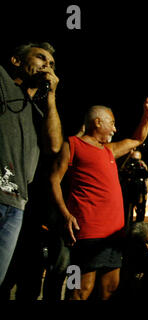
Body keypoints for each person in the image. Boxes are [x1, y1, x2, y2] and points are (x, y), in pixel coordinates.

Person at [49, 98, 148, 300]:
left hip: (114, 235)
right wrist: (65, 215)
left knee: (111, 289)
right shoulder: (72, 144)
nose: (115, 129)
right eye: (112, 123)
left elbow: (137, 140)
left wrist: (147, 115)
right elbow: (54, 179)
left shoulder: (109, 150)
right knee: (80, 290)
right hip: (87, 233)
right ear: (98, 122)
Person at [0, 42, 63, 285]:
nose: (48, 65)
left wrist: (51, 96)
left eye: (52, 64)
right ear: (16, 61)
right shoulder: (3, 82)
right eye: (40, 58)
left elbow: (55, 146)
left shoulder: (39, 112)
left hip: (17, 204)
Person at [120, 149, 148, 228]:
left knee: (141, 210)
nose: (136, 162)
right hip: (129, 191)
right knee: (128, 211)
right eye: (133, 159)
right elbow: (122, 173)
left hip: (140, 192)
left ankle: (139, 226)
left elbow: (146, 178)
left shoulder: (142, 166)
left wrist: (146, 192)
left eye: (138, 159)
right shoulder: (127, 166)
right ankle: (127, 227)